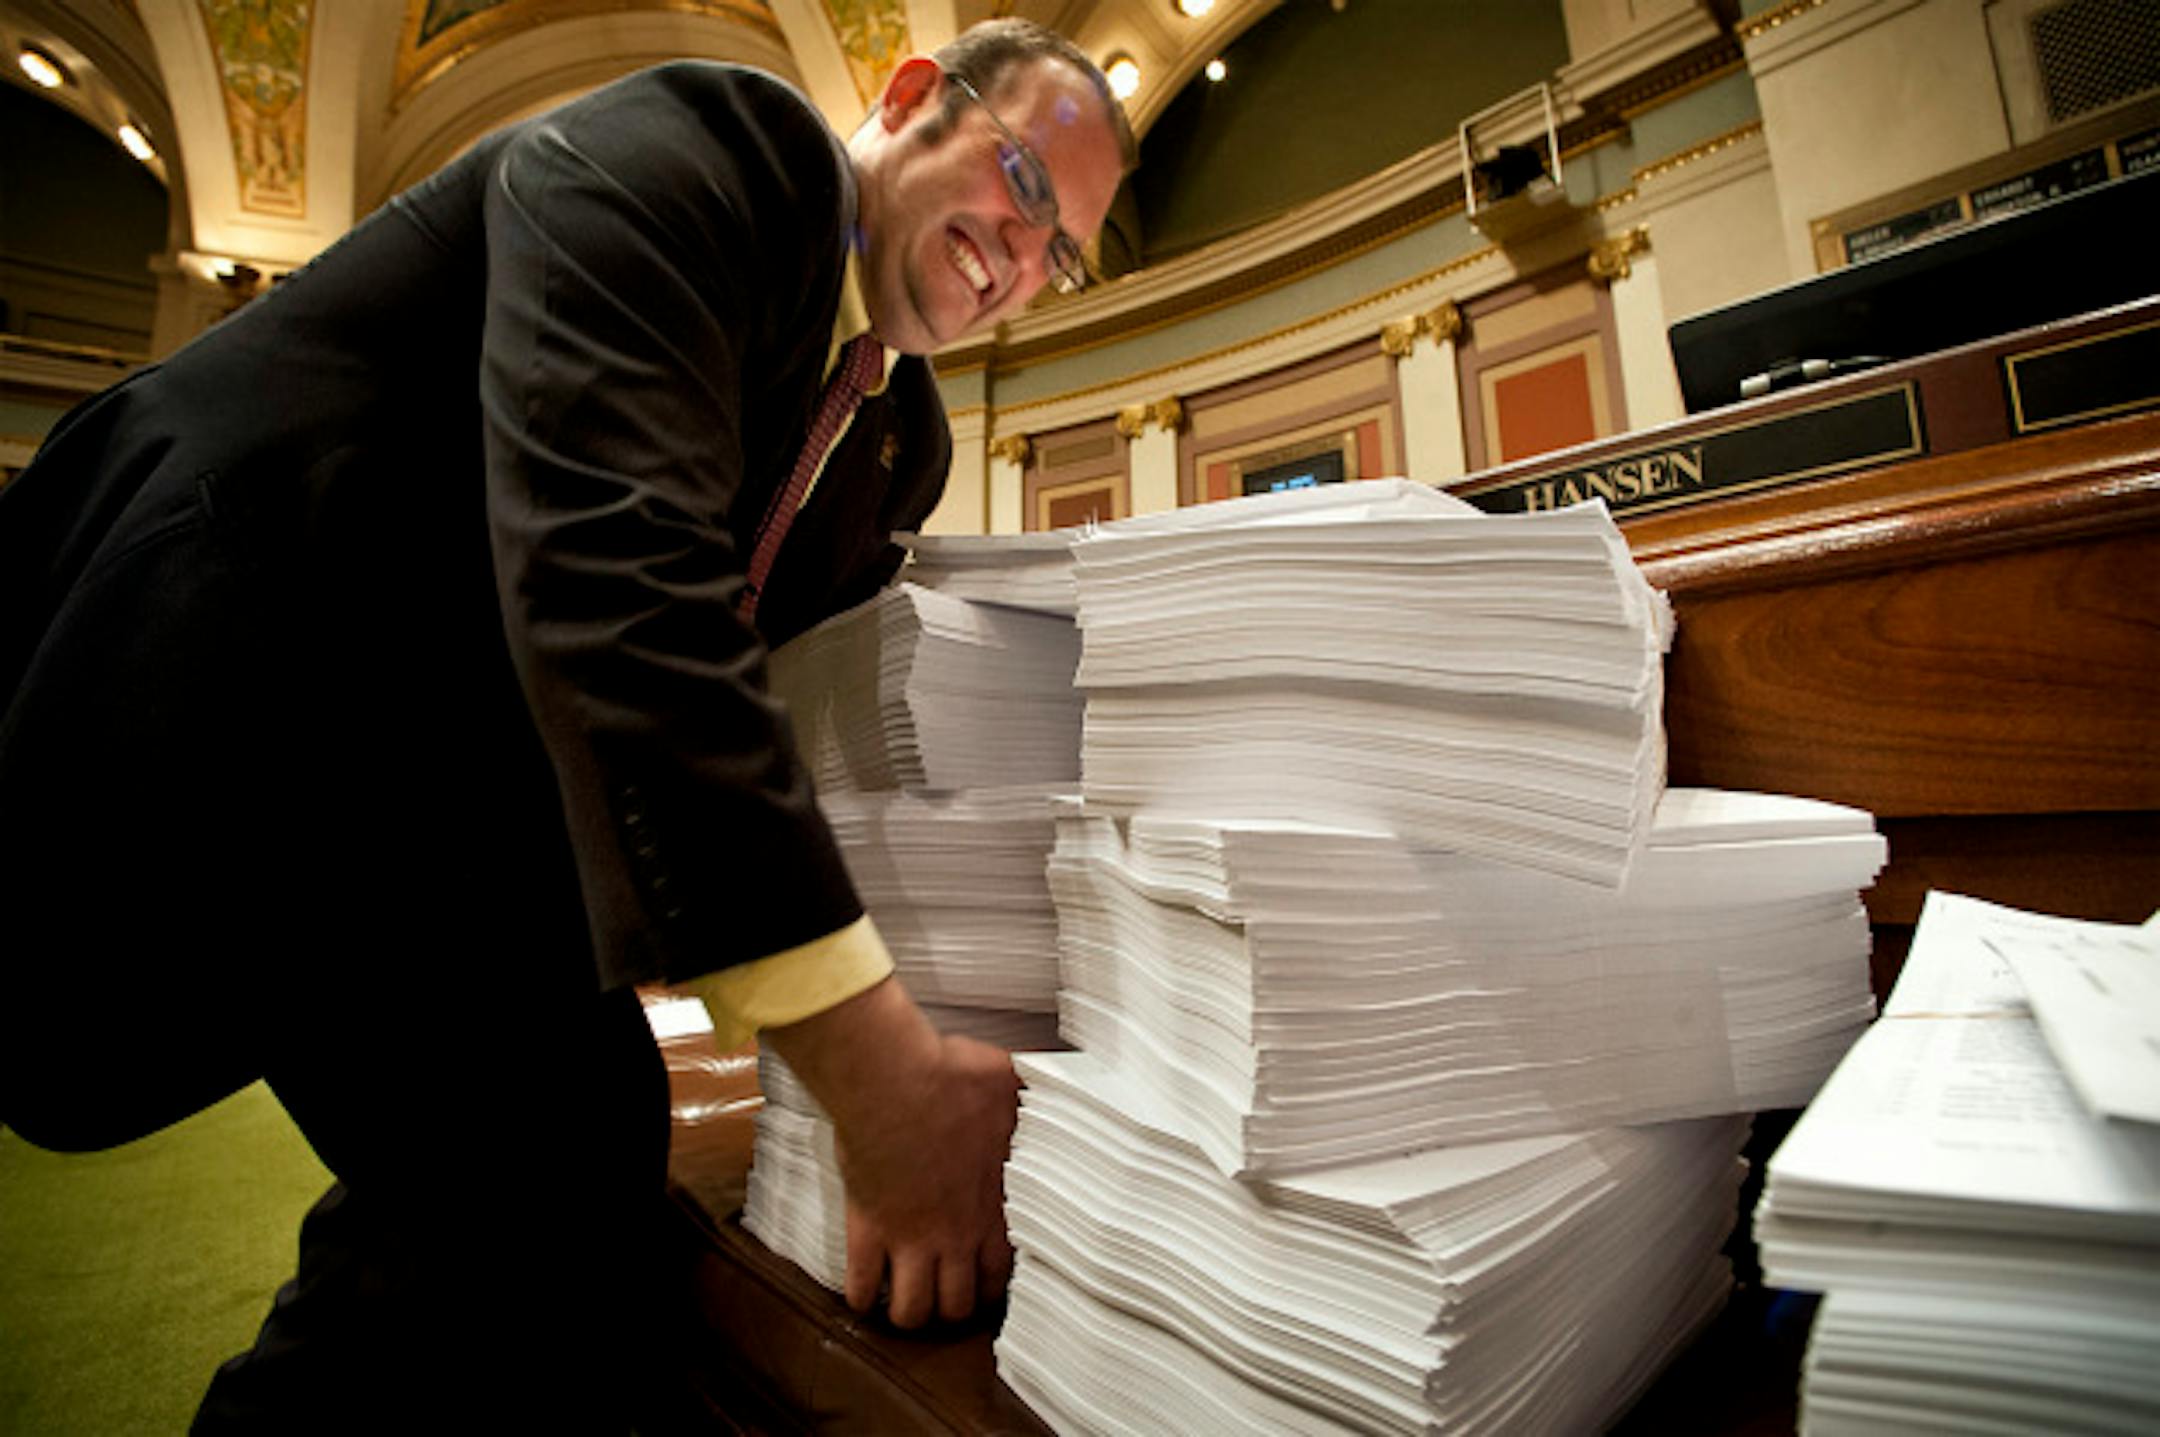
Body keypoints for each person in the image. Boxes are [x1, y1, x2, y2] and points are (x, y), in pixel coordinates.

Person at [0, 18, 1130, 1431]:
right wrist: (880, 1071)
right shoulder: (729, 153)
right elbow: (620, 573)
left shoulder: (901, 441)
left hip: (441, 810)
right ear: (911, 99)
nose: (1023, 254)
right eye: (1024, 179)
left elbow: (779, 708)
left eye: (1062, 249)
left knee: (557, 1156)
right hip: (227, 676)